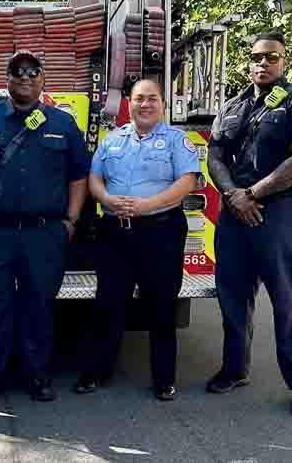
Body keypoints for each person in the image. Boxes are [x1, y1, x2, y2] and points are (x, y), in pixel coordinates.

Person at [0, 50, 90, 405]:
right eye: (17, 72)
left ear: (43, 79)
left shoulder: (62, 123)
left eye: (32, 72)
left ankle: (37, 375)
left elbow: (79, 176)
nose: (25, 78)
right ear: (6, 79)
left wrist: (71, 219)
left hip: (44, 234)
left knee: (38, 305)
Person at [206, 31, 292, 417]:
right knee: (233, 299)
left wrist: (252, 193)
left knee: (290, 304)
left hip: (283, 215)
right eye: (257, 57)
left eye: (271, 57)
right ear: (249, 61)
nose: (263, 63)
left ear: (284, 60)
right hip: (235, 214)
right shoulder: (233, 105)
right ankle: (234, 368)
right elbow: (215, 156)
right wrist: (232, 195)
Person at [73, 77, 200, 401]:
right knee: (108, 304)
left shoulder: (177, 140)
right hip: (116, 233)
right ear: (129, 103)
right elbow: (95, 177)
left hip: (161, 231)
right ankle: (96, 372)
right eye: (140, 98)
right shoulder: (112, 140)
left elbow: (187, 182)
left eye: (152, 99)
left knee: (161, 306)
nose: (145, 104)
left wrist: (146, 206)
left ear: (163, 104)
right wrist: (106, 199)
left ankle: (163, 379)